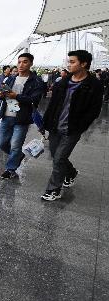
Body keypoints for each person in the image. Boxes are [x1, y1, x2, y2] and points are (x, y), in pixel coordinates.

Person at [40, 50, 103, 201]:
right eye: (69, 61)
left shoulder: (94, 84)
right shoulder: (63, 82)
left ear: (84, 64)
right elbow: (52, 104)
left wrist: (81, 126)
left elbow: (94, 110)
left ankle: (54, 189)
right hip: (56, 126)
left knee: (59, 158)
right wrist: (45, 123)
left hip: (73, 129)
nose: (69, 64)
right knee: (56, 155)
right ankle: (71, 173)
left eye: (72, 62)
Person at [0, 53, 45, 179]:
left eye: (25, 62)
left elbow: (34, 100)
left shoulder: (36, 81)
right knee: (1, 143)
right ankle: (17, 156)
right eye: (19, 62)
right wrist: (0, 94)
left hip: (22, 118)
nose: (21, 65)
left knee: (16, 145)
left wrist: (16, 96)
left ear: (31, 63)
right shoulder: (11, 78)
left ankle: (10, 169)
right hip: (7, 115)